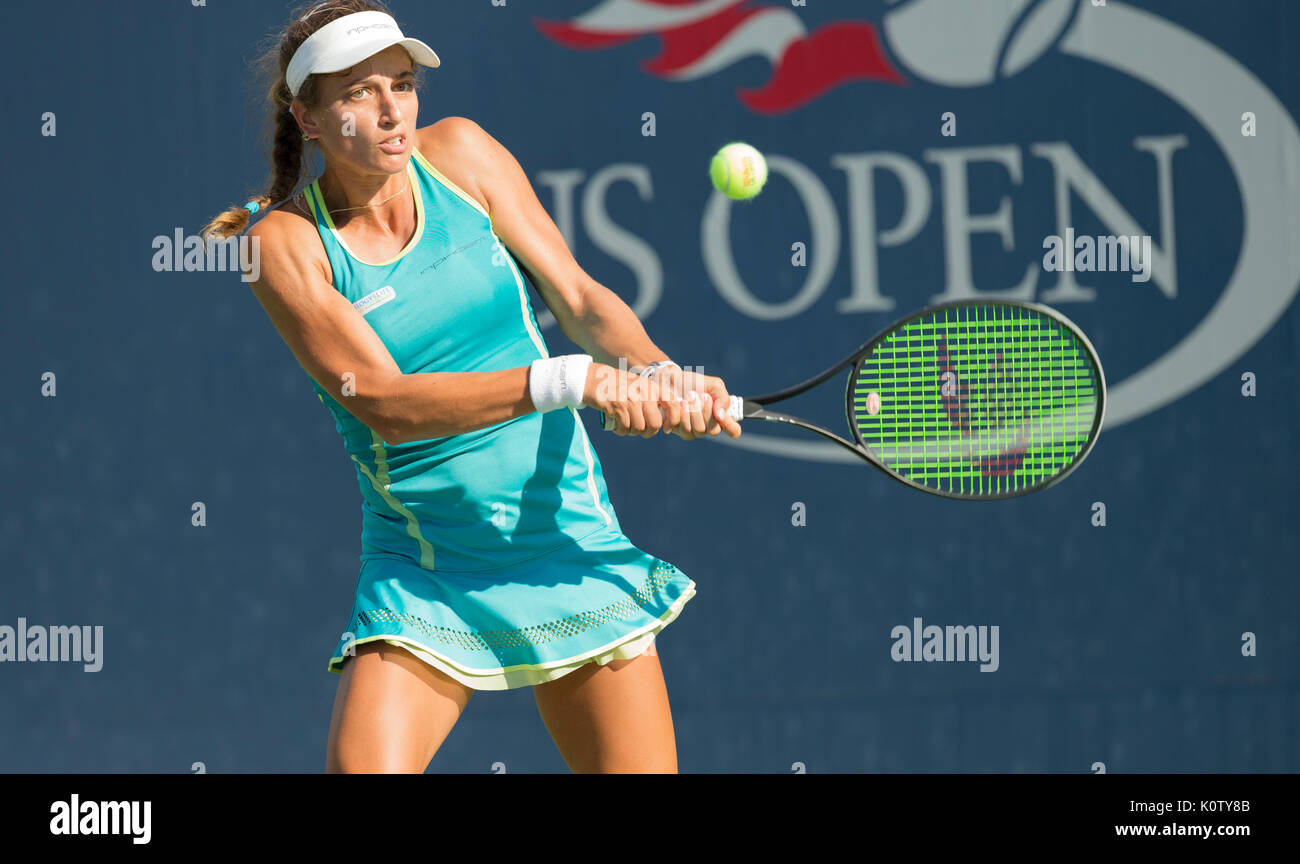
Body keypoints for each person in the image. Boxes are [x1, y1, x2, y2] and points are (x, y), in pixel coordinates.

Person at [199, 0, 742, 774]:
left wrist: (656, 371)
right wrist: (573, 379)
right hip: (425, 569)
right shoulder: (280, 244)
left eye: (403, 83)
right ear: (309, 118)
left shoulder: (462, 155)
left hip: (563, 540)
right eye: (359, 93)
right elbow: (383, 403)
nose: (392, 111)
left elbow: (581, 299)